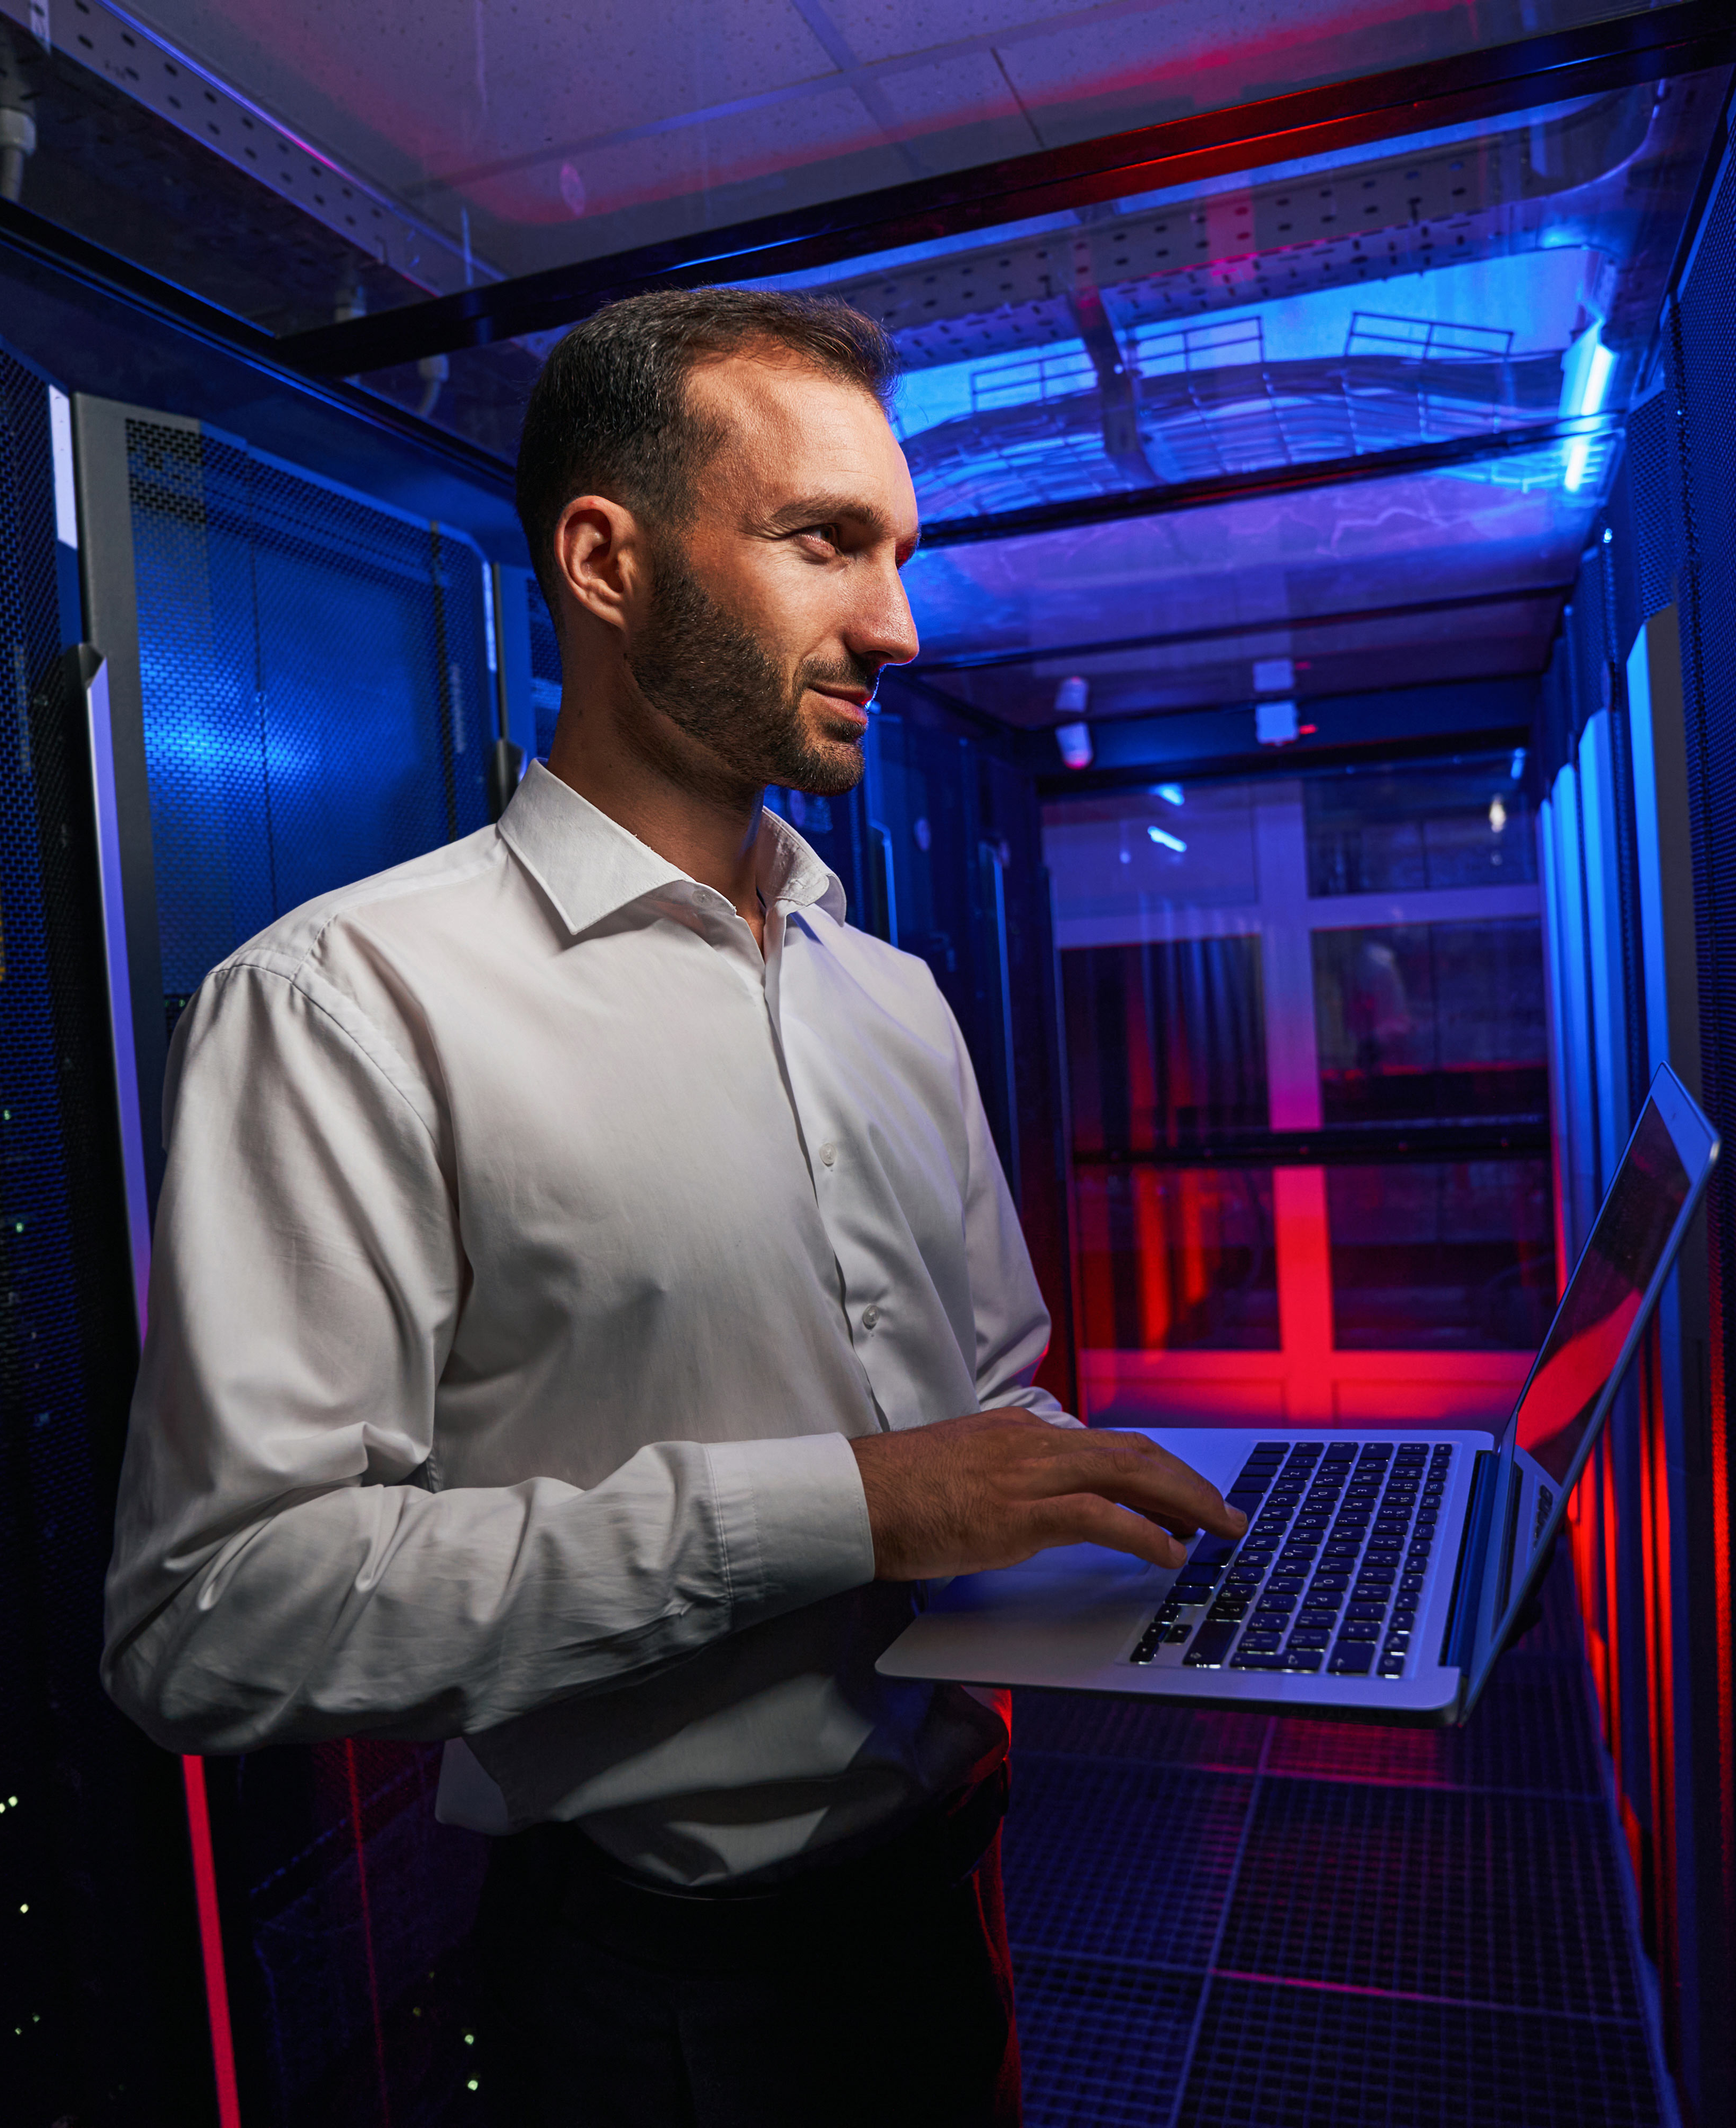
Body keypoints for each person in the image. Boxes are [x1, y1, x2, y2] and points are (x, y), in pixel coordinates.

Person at [98, 287, 1244, 2127]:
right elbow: (214, 1620)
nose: (898, 622)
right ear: (606, 563)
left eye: (901, 552)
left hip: (947, 1908)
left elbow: (993, 1413)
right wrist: (846, 1510)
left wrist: (1165, 1552)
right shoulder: (348, 1005)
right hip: (662, 2013)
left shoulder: (894, 993)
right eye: (826, 543)